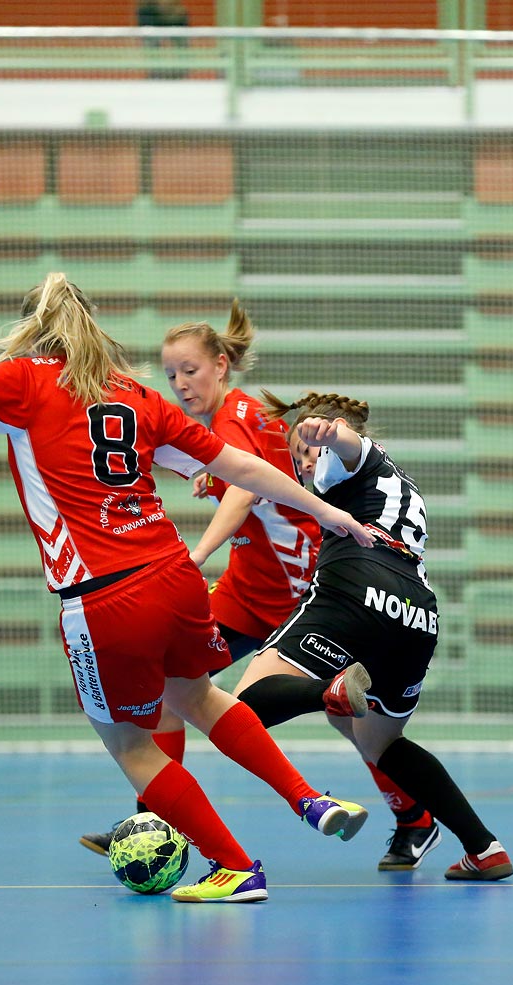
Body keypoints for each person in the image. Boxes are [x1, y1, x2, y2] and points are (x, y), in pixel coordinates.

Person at [0, 270, 374, 904]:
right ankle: (307, 799)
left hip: (104, 596)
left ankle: (235, 868)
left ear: (32, 332)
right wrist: (327, 510)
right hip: (176, 575)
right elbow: (238, 464)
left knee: (132, 745)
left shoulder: (23, 381)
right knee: (198, 697)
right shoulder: (135, 394)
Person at [81, 301, 439, 873]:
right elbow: (239, 482)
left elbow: (246, 490)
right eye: (170, 374)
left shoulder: (233, 418)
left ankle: (413, 817)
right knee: (177, 686)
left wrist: (195, 555)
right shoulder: (227, 421)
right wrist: (211, 480)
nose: (179, 384)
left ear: (222, 366)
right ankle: (155, 820)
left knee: (348, 719)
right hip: (251, 589)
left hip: (302, 587)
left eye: (190, 370)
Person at [232, 390, 513, 882]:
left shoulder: (348, 461)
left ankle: (329, 691)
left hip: (360, 584)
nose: (301, 466)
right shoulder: (400, 484)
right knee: (383, 743)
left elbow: (348, 448)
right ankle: (484, 847)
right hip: (418, 613)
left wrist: (329, 435)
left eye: (302, 453)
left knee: (241, 707)